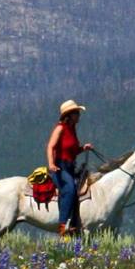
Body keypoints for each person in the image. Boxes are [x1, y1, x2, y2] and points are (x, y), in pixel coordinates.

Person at [48, 100, 89, 236]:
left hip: (70, 166)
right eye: (76, 113)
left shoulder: (72, 129)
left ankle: (75, 222)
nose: (79, 115)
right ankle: (62, 225)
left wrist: (83, 148)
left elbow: (72, 151)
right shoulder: (60, 128)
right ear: (69, 115)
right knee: (70, 189)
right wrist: (51, 164)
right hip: (60, 167)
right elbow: (51, 146)